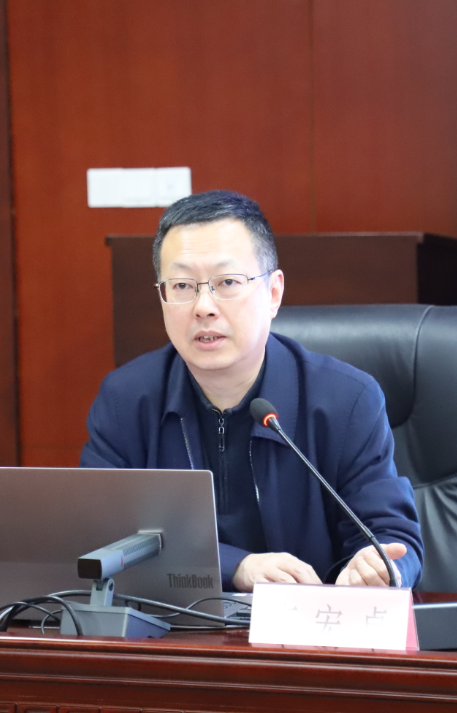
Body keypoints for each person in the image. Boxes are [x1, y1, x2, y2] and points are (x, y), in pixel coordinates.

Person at [81, 190, 423, 591]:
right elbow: (100, 535)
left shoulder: (346, 401)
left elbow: (392, 539)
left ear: (273, 293)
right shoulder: (126, 400)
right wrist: (236, 567)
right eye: (182, 285)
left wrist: (378, 567)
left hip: (307, 626)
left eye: (227, 282)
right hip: (173, 626)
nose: (203, 306)